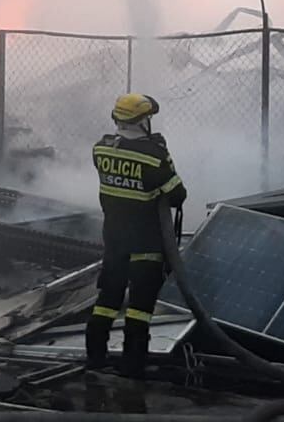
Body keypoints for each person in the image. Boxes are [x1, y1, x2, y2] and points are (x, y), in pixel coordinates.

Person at [85, 93, 187, 379]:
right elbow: (178, 195)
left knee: (107, 300)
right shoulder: (154, 157)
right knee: (140, 308)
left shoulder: (100, 149)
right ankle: (131, 367)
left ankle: (95, 359)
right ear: (142, 122)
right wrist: (163, 153)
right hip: (146, 243)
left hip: (114, 241)